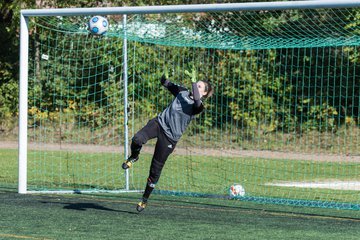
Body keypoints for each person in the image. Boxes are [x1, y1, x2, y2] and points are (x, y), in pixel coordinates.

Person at [122, 69, 213, 212]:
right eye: (197, 85)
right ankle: (133, 157)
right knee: (137, 139)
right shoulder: (182, 91)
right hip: (159, 124)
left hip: (170, 137)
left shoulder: (199, 106)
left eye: (200, 87)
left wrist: (194, 83)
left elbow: (196, 100)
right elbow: (164, 82)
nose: (196, 87)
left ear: (204, 93)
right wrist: (165, 74)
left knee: (155, 170)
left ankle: (144, 200)